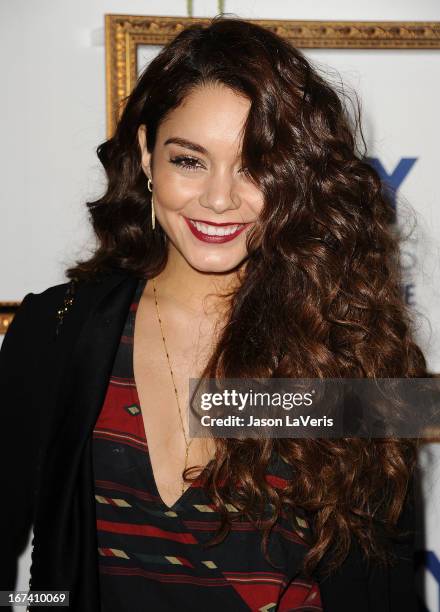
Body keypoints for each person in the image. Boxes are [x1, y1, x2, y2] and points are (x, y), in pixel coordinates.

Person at [0, 15, 426, 612]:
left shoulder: (344, 347)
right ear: (148, 154)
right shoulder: (56, 330)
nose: (220, 199)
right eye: (190, 160)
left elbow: (384, 591)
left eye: (254, 166)